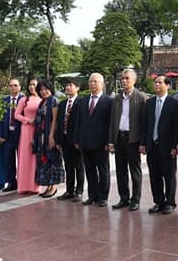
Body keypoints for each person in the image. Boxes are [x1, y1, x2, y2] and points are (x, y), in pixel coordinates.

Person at [108, 68, 148, 210]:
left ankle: (135, 199)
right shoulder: (117, 98)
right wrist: (111, 141)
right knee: (120, 170)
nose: (124, 81)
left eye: (127, 78)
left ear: (134, 80)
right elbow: (113, 120)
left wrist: (143, 142)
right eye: (122, 78)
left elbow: (145, 123)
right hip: (120, 138)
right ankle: (123, 198)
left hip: (134, 139)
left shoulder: (141, 97)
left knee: (135, 170)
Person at [142, 75, 178, 215]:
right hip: (152, 145)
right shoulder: (149, 102)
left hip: (167, 146)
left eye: (160, 82)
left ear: (168, 85)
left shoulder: (175, 103)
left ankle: (170, 203)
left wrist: (175, 146)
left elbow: (177, 127)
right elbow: (146, 124)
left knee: (169, 175)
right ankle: (158, 201)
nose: (157, 85)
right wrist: (143, 143)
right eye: (155, 82)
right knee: (154, 175)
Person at [76, 73, 113, 206]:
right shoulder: (83, 101)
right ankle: (92, 195)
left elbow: (110, 124)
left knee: (103, 170)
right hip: (85, 142)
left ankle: (103, 196)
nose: (92, 84)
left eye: (95, 82)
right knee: (90, 170)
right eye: (91, 81)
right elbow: (78, 122)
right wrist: (78, 140)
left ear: (102, 84)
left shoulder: (109, 101)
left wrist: (108, 141)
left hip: (101, 143)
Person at [54, 79, 85, 200]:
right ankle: (69, 190)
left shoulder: (81, 103)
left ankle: (79, 191)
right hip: (65, 139)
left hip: (76, 140)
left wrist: (79, 140)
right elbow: (59, 123)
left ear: (77, 88)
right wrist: (58, 141)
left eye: (70, 85)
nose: (67, 87)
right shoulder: (62, 104)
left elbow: (82, 123)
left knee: (79, 166)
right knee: (68, 166)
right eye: (66, 85)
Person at [32, 79, 64, 198]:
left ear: (50, 89)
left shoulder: (54, 101)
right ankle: (48, 186)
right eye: (41, 89)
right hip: (41, 137)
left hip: (50, 135)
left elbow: (55, 120)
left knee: (53, 160)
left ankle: (54, 186)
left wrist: (51, 136)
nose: (43, 91)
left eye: (46, 89)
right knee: (44, 161)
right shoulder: (42, 102)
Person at [14, 78, 40, 194]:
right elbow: (17, 115)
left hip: (38, 130)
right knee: (25, 157)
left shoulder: (42, 100)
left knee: (36, 158)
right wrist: (28, 120)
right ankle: (24, 185)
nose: (32, 87)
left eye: (34, 84)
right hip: (26, 130)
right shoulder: (24, 100)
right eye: (30, 84)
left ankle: (35, 186)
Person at [0, 78, 24, 192]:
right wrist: (0, 135)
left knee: (22, 159)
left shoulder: (24, 100)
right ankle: (11, 182)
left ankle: (23, 182)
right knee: (9, 160)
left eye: (15, 85)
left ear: (20, 87)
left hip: (21, 134)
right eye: (11, 85)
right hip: (7, 134)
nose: (13, 87)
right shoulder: (4, 101)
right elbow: (0, 119)